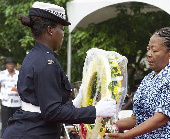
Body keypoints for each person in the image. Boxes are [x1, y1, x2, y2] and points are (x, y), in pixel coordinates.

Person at [2, 2, 116, 139]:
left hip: (31, 129)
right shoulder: (46, 62)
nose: (63, 35)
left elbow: (44, 102)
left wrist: (75, 103)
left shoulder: (37, 56)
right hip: (33, 133)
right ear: (50, 30)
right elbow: (52, 112)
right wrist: (96, 111)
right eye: (61, 29)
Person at [106, 27, 170, 138]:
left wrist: (125, 136)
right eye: (148, 49)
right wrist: (105, 126)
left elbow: (160, 120)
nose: (148, 54)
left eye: (154, 50)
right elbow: (136, 119)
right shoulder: (148, 78)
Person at [0, 57, 21, 136]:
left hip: (17, 103)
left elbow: (23, 85)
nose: (10, 65)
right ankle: (4, 136)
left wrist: (19, 89)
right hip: (6, 102)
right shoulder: (2, 74)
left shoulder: (19, 74)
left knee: (16, 122)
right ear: (6, 65)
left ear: (14, 65)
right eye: (9, 64)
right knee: (5, 122)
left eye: (12, 64)